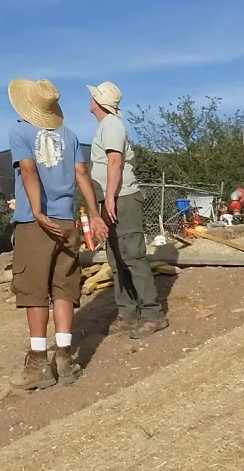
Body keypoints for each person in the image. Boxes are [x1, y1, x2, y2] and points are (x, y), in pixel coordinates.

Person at [6, 78, 107, 390]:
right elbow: (81, 173)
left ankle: (38, 362)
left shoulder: (20, 131)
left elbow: (28, 170)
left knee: (34, 290)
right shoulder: (71, 136)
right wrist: (93, 213)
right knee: (64, 288)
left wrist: (37, 211)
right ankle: (64, 357)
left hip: (35, 223)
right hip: (66, 221)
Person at [87, 80, 166, 338]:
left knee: (132, 255)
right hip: (111, 199)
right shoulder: (106, 126)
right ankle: (128, 312)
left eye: (93, 97)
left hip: (123, 198)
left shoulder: (112, 125)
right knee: (116, 258)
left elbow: (115, 161)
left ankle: (152, 314)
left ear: (99, 103)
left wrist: (109, 197)